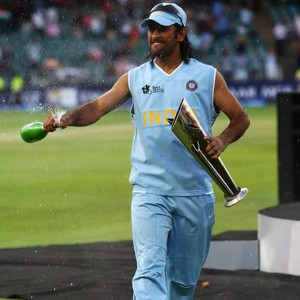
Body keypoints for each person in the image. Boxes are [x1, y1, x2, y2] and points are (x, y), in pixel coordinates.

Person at [43, 3, 250, 299]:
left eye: (162, 29)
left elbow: (241, 118)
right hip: (149, 191)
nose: (154, 34)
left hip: (195, 193)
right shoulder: (135, 78)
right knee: (149, 271)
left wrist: (224, 139)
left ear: (181, 34)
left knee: (183, 282)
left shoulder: (207, 76)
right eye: (151, 29)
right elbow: (97, 107)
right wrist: (65, 119)